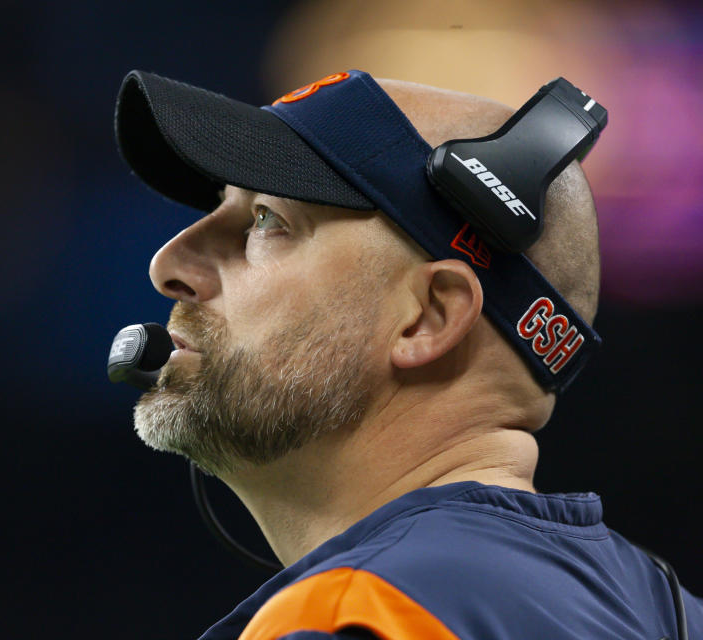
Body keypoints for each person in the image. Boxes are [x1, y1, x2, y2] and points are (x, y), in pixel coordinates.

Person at [112, 69, 702, 640]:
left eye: (267, 221)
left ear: (430, 317)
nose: (167, 264)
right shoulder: (677, 615)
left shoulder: (357, 613)